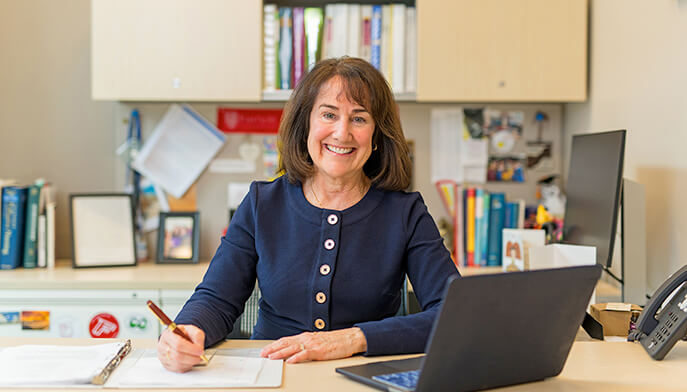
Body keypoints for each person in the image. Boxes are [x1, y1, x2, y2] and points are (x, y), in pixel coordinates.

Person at [157, 57, 459, 373]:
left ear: (377, 135)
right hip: (270, 372)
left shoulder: (405, 212)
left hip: (361, 377)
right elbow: (217, 298)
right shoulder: (263, 202)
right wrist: (189, 330)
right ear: (306, 125)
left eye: (359, 119)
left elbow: (452, 314)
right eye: (329, 114)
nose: (342, 133)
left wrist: (354, 339)